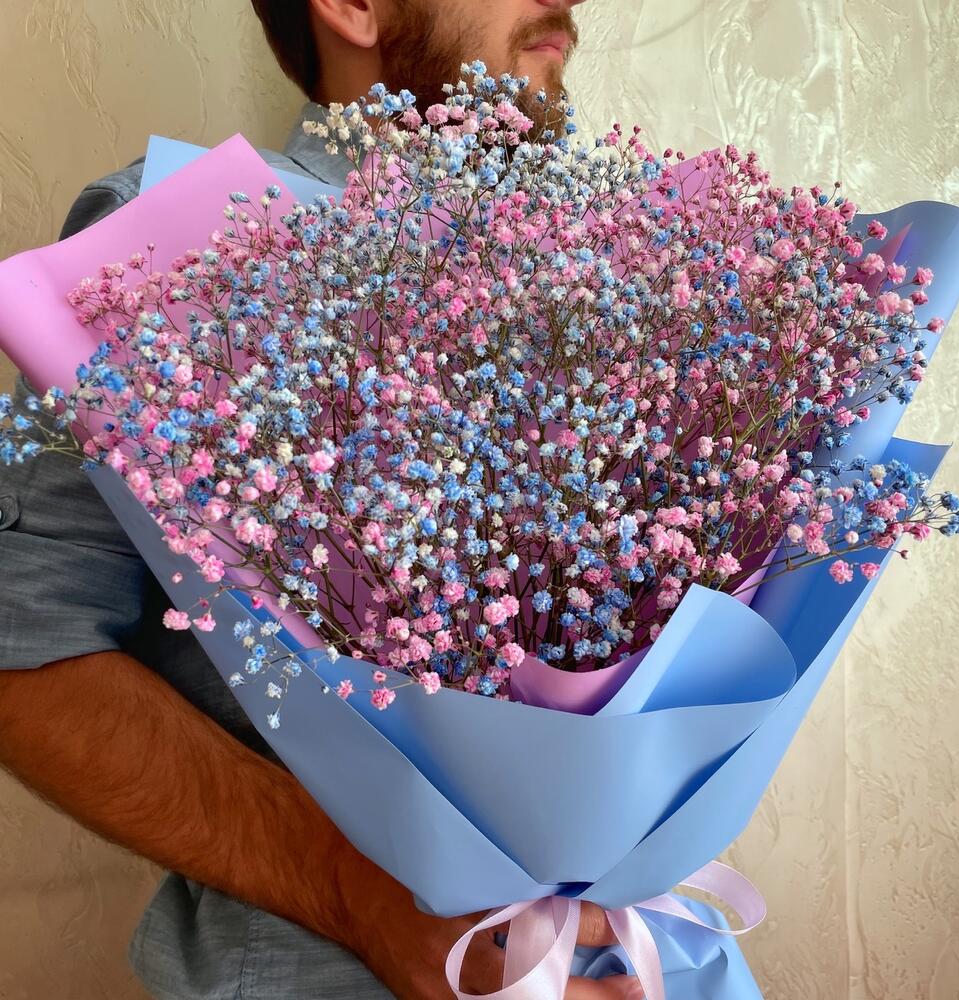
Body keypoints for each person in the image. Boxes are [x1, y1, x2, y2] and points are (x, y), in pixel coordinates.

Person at [0, 1, 646, 998]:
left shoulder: (629, 263)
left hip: (645, 954)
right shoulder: (172, 247)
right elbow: (22, 650)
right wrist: (351, 888)